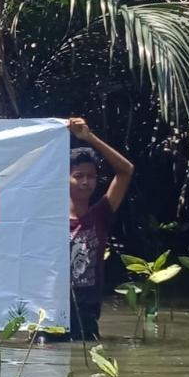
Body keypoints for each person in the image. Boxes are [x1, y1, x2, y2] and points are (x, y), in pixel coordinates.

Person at [66, 117, 134, 340]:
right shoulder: (48, 218)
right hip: (50, 313)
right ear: (64, 179)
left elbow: (126, 170)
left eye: (91, 176)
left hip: (86, 313)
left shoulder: (101, 214)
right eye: (78, 176)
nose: (86, 182)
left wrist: (88, 137)